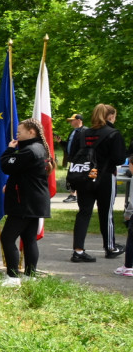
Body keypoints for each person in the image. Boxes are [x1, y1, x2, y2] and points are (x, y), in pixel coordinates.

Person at [0, 119, 54, 285]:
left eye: (19, 131)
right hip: (34, 201)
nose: (17, 134)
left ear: (31, 132)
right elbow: (23, 174)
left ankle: (13, 277)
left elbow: (6, 166)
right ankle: (30, 276)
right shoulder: (39, 148)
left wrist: (9, 149)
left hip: (26, 203)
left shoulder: (30, 150)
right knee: (29, 239)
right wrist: (10, 185)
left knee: (8, 238)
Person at [71, 104, 126, 262]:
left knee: (84, 212)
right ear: (110, 116)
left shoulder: (83, 133)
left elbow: (74, 153)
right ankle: (110, 247)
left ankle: (78, 250)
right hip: (105, 176)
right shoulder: (113, 134)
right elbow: (119, 158)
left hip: (85, 177)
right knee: (106, 213)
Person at [62, 113, 85, 203]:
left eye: (72, 120)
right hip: (73, 159)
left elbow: (83, 146)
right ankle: (73, 195)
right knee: (71, 177)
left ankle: (76, 195)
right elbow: (69, 145)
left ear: (79, 120)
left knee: (77, 177)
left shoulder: (84, 131)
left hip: (80, 160)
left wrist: (79, 157)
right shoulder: (73, 132)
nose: (71, 122)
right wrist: (61, 142)